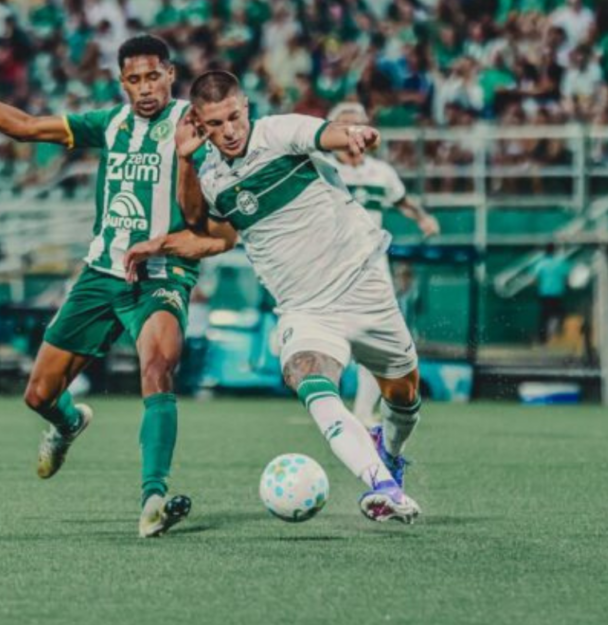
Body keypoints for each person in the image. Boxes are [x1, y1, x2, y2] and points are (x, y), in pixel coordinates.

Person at [0, 35, 198, 537]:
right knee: (38, 394)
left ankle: (153, 496)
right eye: (134, 79)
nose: (145, 89)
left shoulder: (195, 122)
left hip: (161, 276)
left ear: (171, 73)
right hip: (100, 274)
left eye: (154, 76)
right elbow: (21, 126)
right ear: (121, 82)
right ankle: (67, 423)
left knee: (157, 367)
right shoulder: (110, 125)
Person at [125, 70, 423, 523]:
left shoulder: (280, 132)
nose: (228, 131)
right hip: (305, 308)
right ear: (200, 127)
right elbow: (204, 226)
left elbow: (327, 133)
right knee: (306, 376)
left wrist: (355, 134)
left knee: (403, 395)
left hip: (364, 285)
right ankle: (381, 485)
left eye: (233, 118)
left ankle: (392, 453)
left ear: (246, 108)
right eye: (215, 125)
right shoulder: (210, 175)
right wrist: (184, 164)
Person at [318, 102, 439, 427]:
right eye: (347, 124)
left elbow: (402, 201)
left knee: (378, 339)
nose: (354, 130)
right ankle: (329, 406)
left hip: (372, 265)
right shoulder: (320, 166)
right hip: (329, 265)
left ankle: (361, 411)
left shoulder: (381, 172)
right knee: (330, 337)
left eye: (359, 123)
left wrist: (423, 218)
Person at [533, 243, 571, 343]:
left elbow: (536, 279)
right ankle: (557, 335)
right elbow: (567, 278)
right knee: (558, 314)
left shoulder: (541, 263)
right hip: (557, 292)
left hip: (544, 293)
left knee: (544, 316)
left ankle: (543, 338)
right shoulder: (560, 263)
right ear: (554, 251)